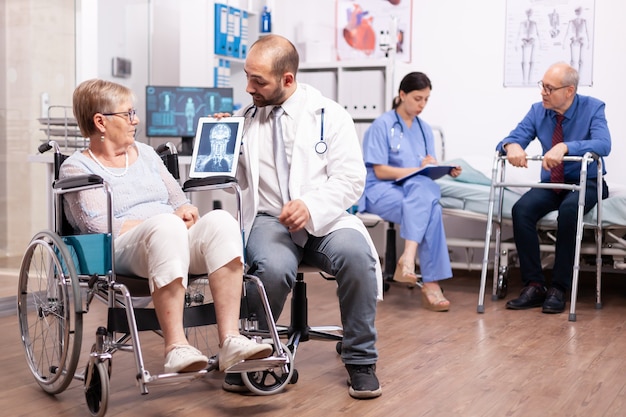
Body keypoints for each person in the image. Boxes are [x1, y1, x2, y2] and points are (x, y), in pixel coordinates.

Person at [60, 79, 272, 375]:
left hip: (170, 236)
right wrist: (166, 221)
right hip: (121, 249)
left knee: (221, 221)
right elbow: (97, 224)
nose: (136, 120)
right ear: (101, 122)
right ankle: (176, 347)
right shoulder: (76, 167)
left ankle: (231, 339)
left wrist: (184, 210)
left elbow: (176, 199)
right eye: (128, 114)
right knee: (165, 227)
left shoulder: (146, 154)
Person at [227, 34, 383, 399]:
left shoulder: (331, 115)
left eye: (258, 80)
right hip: (270, 220)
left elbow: (350, 179)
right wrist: (220, 140)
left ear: (288, 80)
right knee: (271, 269)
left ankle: (360, 359)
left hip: (325, 220)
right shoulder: (244, 119)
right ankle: (255, 355)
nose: (248, 88)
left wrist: (311, 206)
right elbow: (230, 182)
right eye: (247, 77)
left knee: (358, 257)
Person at [496, 62, 610, 314]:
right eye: (542, 86)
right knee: (521, 210)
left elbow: (603, 144)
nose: (543, 92)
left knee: (570, 211)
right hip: (553, 183)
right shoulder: (538, 111)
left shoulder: (593, 108)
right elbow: (513, 137)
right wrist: (511, 146)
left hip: (586, 182)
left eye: (549, 88)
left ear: (569, 91)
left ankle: (559, 288)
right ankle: (535, 285)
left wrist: (567, 147)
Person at [359, 72, 461, 312]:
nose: (422, 105)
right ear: (402, 95)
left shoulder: (425, 129)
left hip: (412, 191)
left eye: (426, 99)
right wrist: (417, 169)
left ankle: (408, 258)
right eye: (417, 98)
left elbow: (424, 167)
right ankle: (431, 285)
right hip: (381, 191)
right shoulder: (381, 125)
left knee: (426, 195)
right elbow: (381, 171)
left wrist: (437, 166)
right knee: (429, 206)